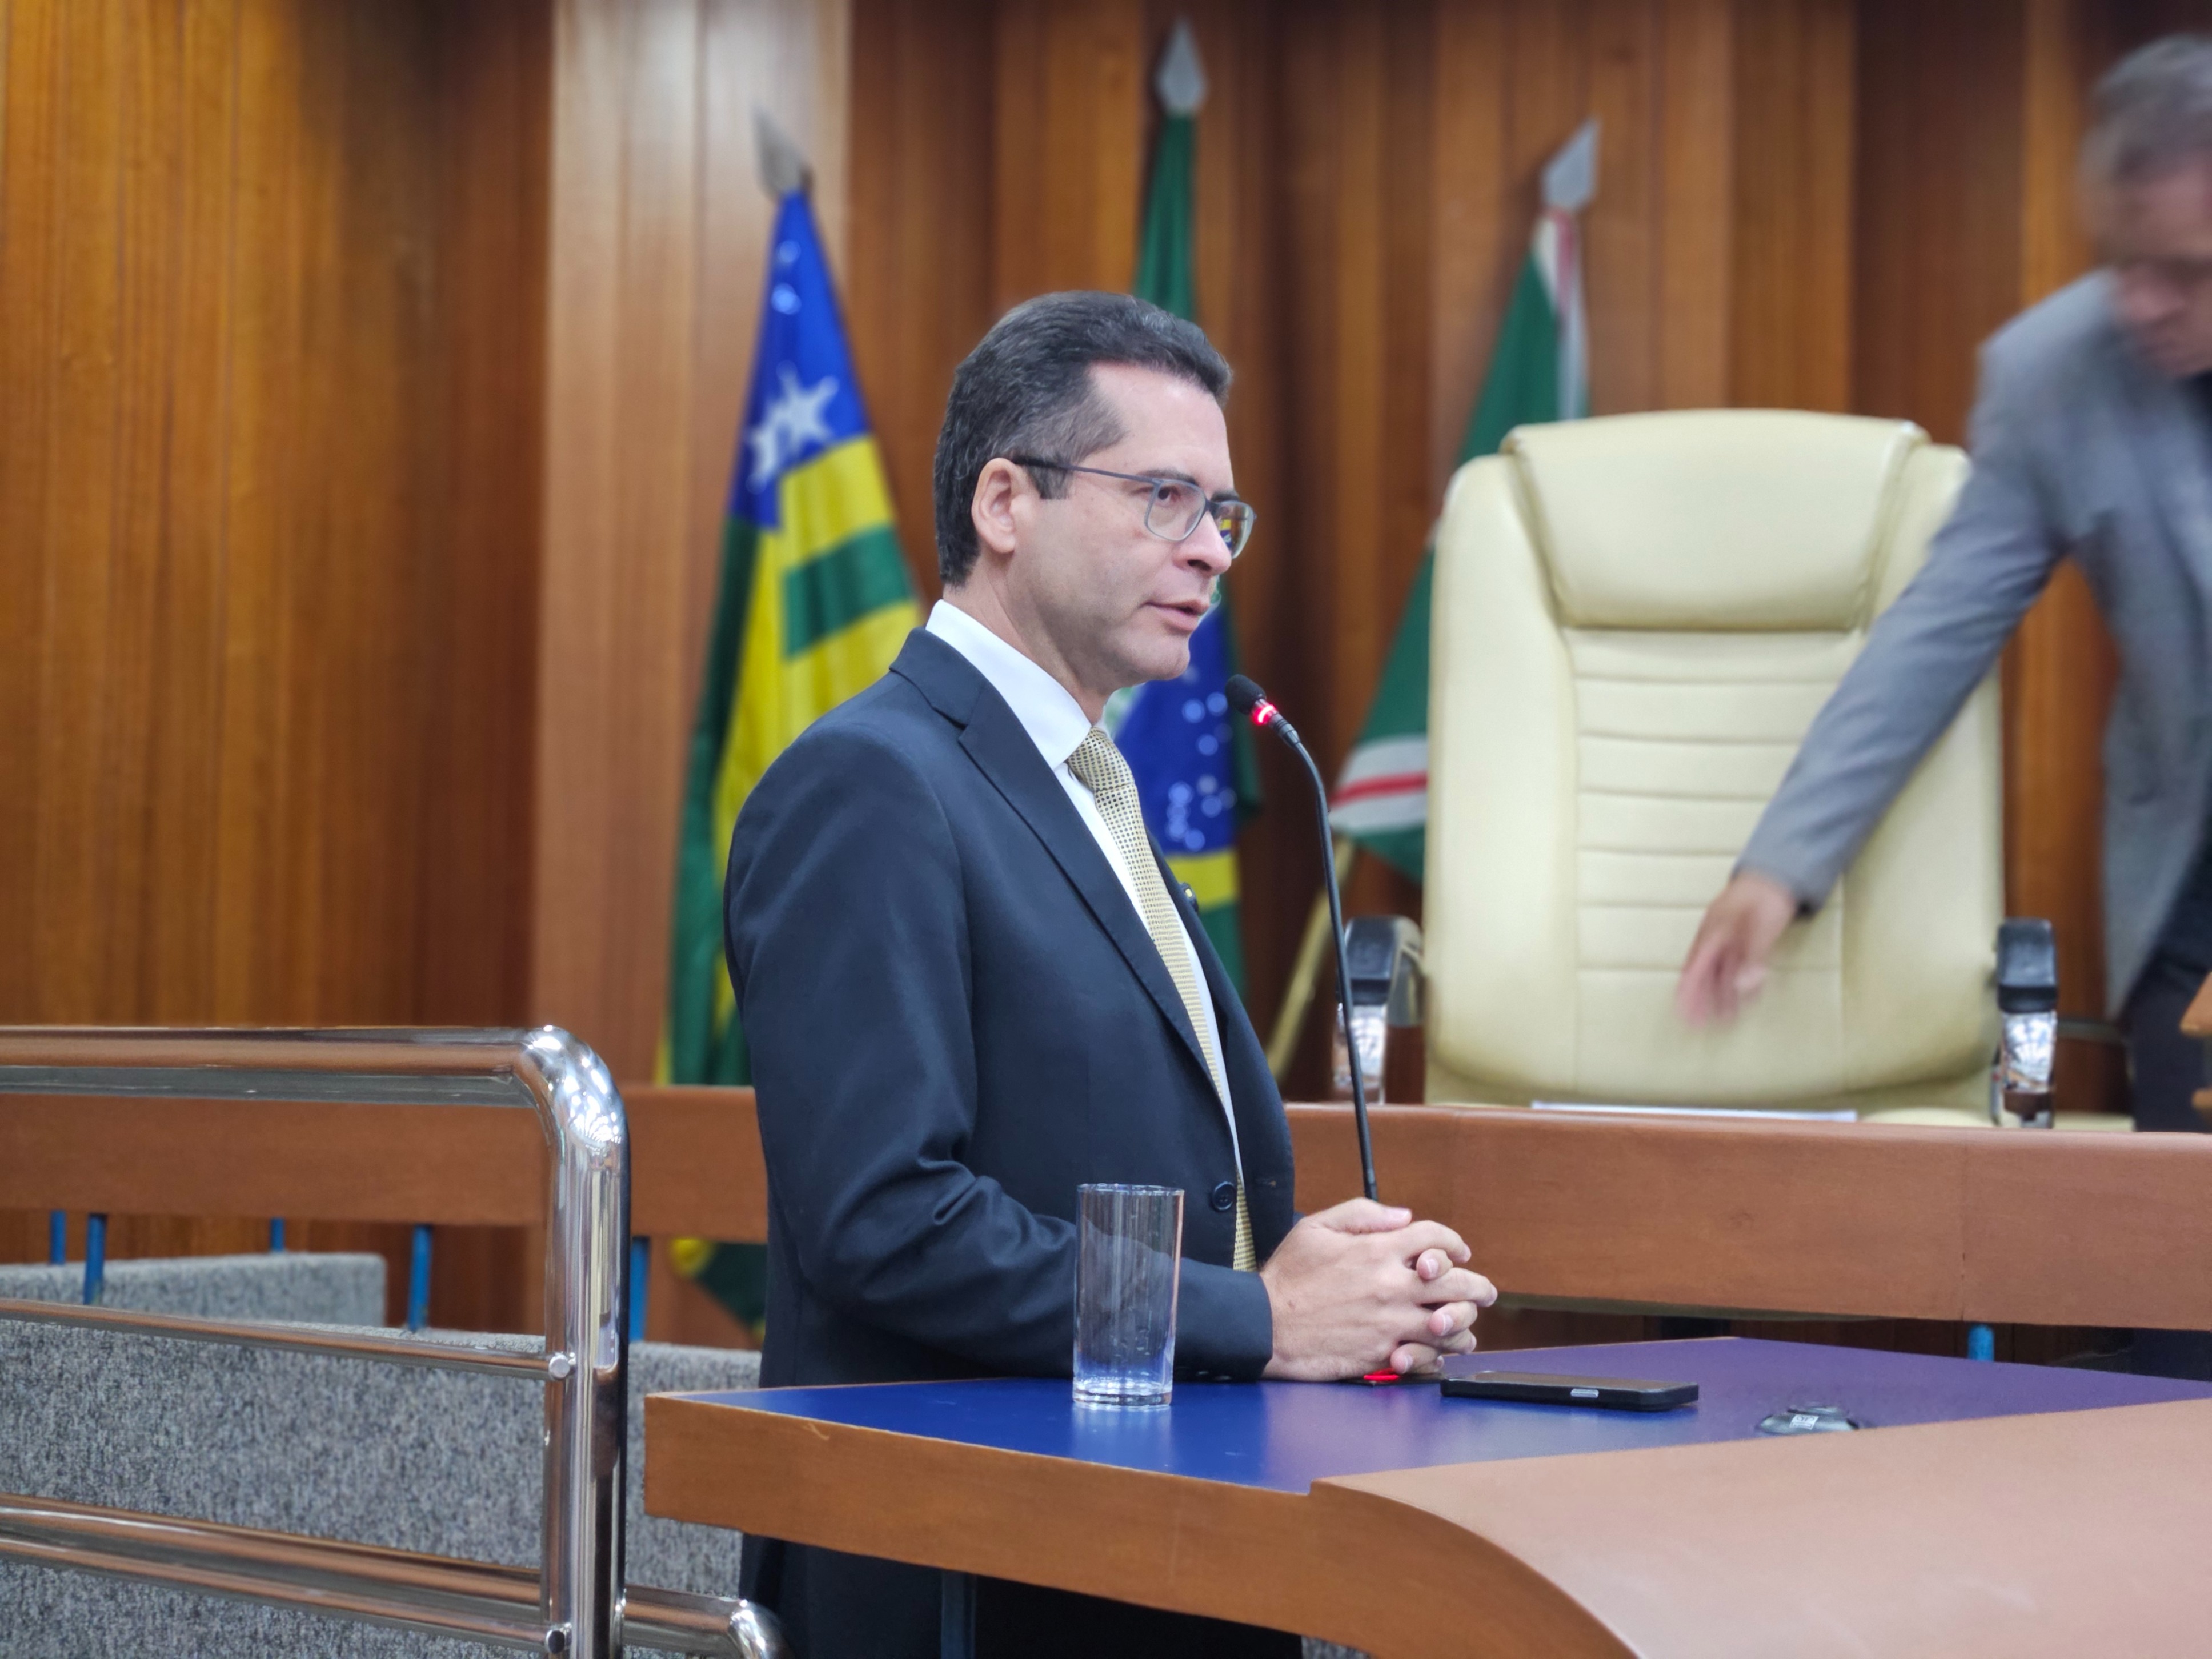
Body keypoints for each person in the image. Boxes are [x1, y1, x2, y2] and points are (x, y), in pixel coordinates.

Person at [723, 290, 1497, 1658]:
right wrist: (1260, 1316)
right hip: (972, 1577)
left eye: (1221, 513)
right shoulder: (870, 784)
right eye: (1162, 499)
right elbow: (883, 1218)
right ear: (1004, 503)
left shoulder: (1092, 787)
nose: (1210, 550)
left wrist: (1326, 1278)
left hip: (1154, 1547)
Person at [1676, 37, 2212, 1375]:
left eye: (2186, 271)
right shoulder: (2057, 373)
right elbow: (1935, 631)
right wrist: (1782, 863)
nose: (2141, 304)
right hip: (2198, 905)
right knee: (2190, 1312)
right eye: (2120, 260)